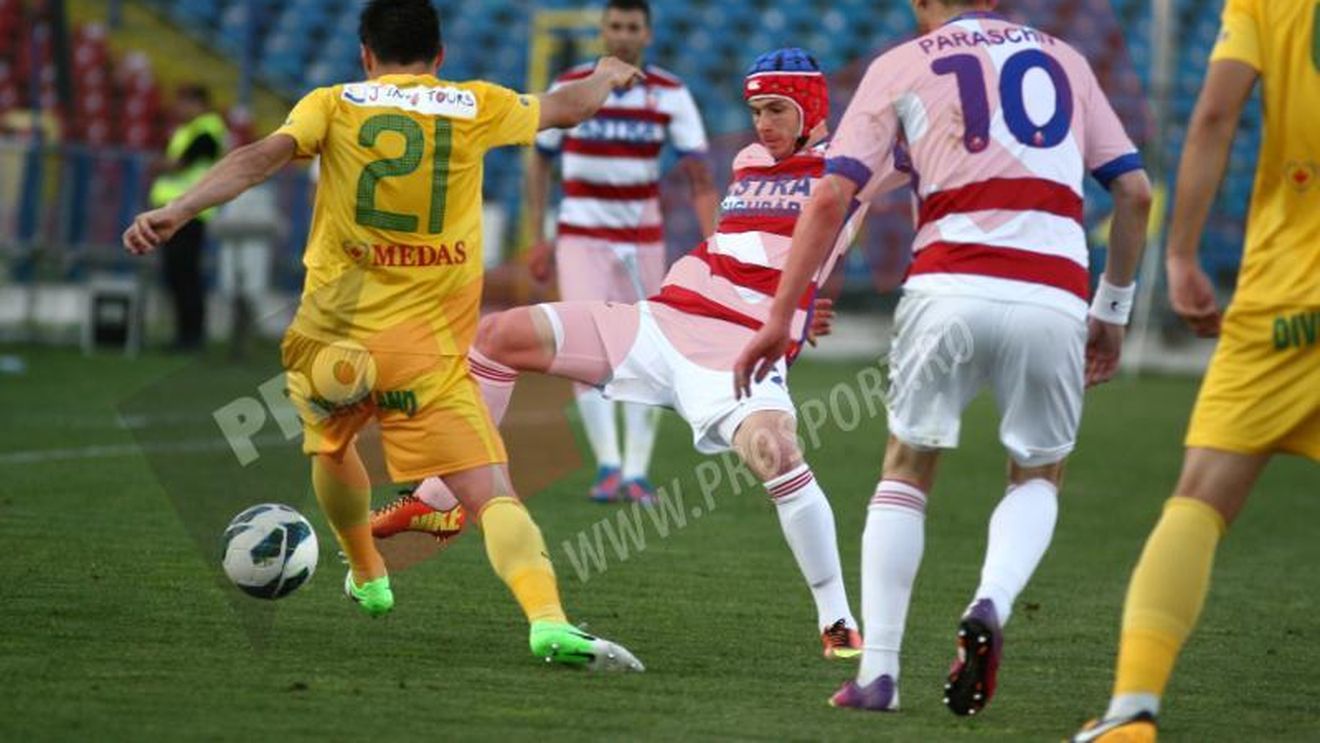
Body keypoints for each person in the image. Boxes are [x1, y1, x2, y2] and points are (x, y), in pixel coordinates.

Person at [123, 0, 647, 671]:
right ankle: (547, 620)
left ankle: (369, 572)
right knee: (492, 493)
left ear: (365, 53)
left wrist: (178, 208)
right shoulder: (474, 103)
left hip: (329, 339)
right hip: (424, 348)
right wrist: (607, 73)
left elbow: (261, 157)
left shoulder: (333, 102)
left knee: (333, 444)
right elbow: (568, 107)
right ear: (441, 56)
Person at [376, 48, 878, 659]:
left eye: (777, 109)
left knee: (776, 454)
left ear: (813, 109)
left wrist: (807, 300)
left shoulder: (846, 170)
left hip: (738, 356)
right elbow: (754, 246)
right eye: (756, 110)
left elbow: (842, 226)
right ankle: (439, 501)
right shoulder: (749, 161)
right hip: (659, 323)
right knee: (498, 336)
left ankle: (837, 620)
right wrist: (808, 294)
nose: (763, 123)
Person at [734, 0, 1152, 714]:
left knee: (907, 466)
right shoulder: (1067, 59)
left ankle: (880, 675)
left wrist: (781, 314)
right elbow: (1135, 192)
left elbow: (834, 192)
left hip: (948, 282)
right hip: (1052, 288)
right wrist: (1111, 311)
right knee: (1038, 471)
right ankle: (989, 601)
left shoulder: (901, 63)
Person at [1071, 1, 1319, 739]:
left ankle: (1132, 712)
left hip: (1289, 298)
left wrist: (1179, 255)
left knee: (1199, 502)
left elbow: (1214, 116)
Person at [527, 0, 720, 504]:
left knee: (647, 351)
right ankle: (609, 466)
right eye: (615, 25)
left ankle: (635, 471)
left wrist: (717, 247)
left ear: (647, 34)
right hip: (580, 235)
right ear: (603, 30)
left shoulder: (670, 94)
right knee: (583, 348)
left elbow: (700, 176)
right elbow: (538, 161)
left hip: (641, 240)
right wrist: (537, 236)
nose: (623, 35)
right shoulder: (570, 86)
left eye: (632, 27)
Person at [148, 84, 227, 351]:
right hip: (178, 212)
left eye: (184, 102)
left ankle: (191, 336)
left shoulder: (207, 129)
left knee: (186, 275)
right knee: (178, 275)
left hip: (190, 214)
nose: (178, 109)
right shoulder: (191, 130)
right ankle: (185, 334)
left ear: (198, 103)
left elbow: (181, 163)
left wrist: (159, 165)